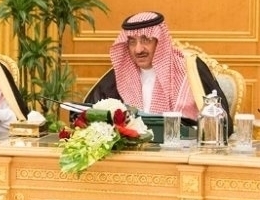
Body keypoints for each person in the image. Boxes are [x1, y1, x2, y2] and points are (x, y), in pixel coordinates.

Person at [83, 11, 227, 121]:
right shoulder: (119, 76)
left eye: (146, 40)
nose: (138, 49)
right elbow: (87, 115)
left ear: (160, 41)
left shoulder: (191, 68)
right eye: (132, 42)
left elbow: (221, 122)